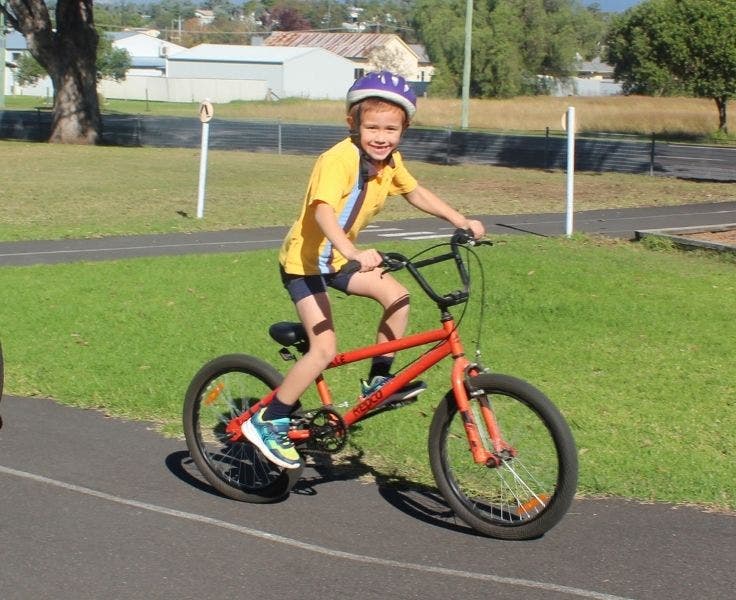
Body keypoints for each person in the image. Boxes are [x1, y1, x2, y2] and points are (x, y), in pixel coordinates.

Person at [243, 71, 485, 469]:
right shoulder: (337, 160)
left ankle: (379, 382)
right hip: (305, 263)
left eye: (391, 128)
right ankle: (270, 420)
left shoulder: (390, 162)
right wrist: (352, 249)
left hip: (339, 260)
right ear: (352, 125)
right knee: (324, 349)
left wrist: (460, 220)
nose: (381, 136)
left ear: (403, 130)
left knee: (398, 296)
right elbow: (321, 210)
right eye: (372, 126)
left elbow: (414, 191)